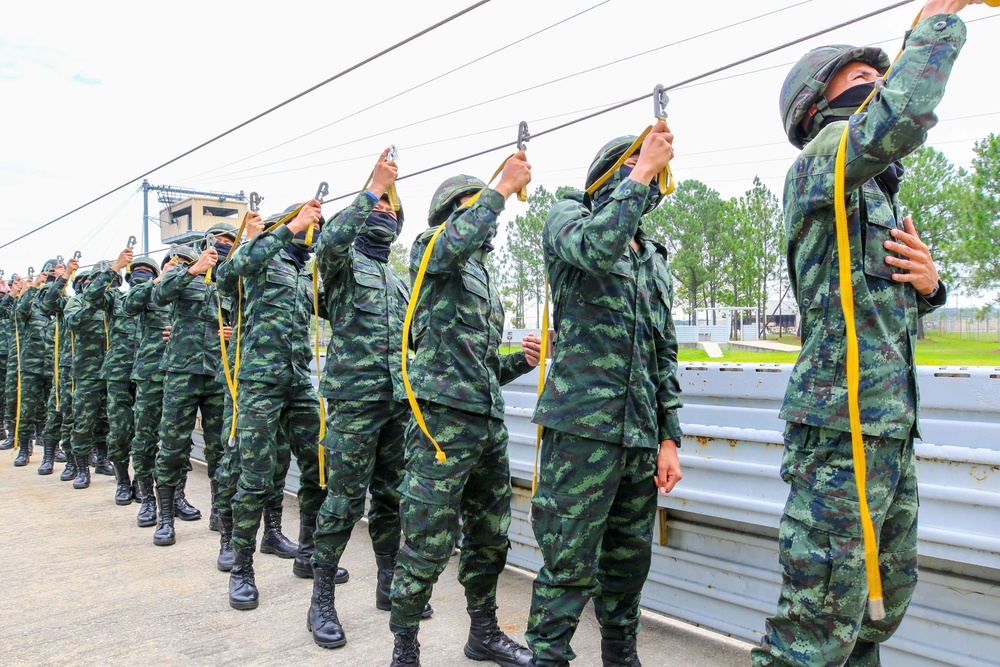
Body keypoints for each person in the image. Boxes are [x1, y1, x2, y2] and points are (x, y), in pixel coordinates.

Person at [751, 2, 978, 665]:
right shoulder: (821, 164)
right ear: (818, 104)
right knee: (814, 627)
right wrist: (936, 20)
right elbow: (900, 117)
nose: (877, 82)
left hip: (887, 430)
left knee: (876, 608)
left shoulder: (876, 196)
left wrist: (931, 287)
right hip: (838, 434)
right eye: (860, 76)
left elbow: (882, 315)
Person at [525, 124, 683, 667]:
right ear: (612, 173)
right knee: (568, 563)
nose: (653, 177)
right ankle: (547, 657)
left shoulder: (654, 258)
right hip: (581, 433)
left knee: (627, 565)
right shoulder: (570, 218)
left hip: (638, 440)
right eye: (641, 165)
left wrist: (668, 437)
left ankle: (621, 655)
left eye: (656, 170)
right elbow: (592, 249)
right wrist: (637, 172)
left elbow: (665, 356)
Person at [388, 157, 540, 667]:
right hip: (441, 425)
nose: (493, 222)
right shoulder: (432, 249)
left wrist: (522, 358)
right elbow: (451, 245)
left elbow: (477, 366)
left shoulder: (482, 277)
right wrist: (499, 188)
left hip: (485, 423)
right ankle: (405, 645)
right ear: (458, 211)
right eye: (481, 210)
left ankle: (483, 633)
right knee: (428, 537)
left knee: (489, 537)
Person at [308, 150, 429, 648]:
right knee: (341, 503)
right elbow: (328, 242)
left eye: (389, 209)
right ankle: (321, 601)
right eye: (377, 206)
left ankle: (388, 584)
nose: (384, 211)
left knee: (391, 501)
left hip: (396, 406)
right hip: (355, 405)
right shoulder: (340, 263)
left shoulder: (401, 281)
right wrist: (372, 188)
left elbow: (417, 339)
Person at [215, 202, 326, 611]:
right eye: (306, 224)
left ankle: (309, 553)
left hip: (298, 382)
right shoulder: (263, 256)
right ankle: (241, 569)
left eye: (314, 225)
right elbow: (228, 274)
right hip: (259, 383)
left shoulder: (303, 272)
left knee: (319, 468)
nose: (310, 231)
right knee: (254, 476)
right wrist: (277, 231)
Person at [151, 226, 234, 546]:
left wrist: (233, 330)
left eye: (229, 242)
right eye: (218, 241)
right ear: (206, 245)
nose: (223, 246)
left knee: (220, 450)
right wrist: (193, 269)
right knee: (172, 446)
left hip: (218, 374)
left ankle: (220, 513)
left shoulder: (232, 281)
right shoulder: (185, 274)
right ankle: (166, 517)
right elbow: (158, 295)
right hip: (182, 372)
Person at [122, 248, 191, 528]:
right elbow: (129, 305)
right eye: (173, 264)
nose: (179, 267)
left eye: (185, 264)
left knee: (178, 440)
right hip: (151, 374)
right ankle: (147, 498)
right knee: (146, 438)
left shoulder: (194, 293)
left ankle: (176, 496)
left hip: (182, 374)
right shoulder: (151, 291)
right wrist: (158, 279)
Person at [86, 248, 141, 504]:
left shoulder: (161, 298)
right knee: (119, 432)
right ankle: (122, 481)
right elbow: (92, 295)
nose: (143, 276)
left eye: (148, 272)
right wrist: (115, 267)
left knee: (146, 433)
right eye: (139, 271)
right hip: (119, 373)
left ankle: (142, 482)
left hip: (149, 374)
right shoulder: (116, 300)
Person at [63, 261, 112, 487]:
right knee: (82, 421)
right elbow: (73, 322)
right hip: (87, 372)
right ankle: (80, 467)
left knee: (106, 421)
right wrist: (93, 304)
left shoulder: (117, 302)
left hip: (113, 371)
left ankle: (102, 459)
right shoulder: (78, 302)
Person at [36, 258, 79, 476]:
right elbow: (48, 302)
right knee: (58, 410)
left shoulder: (81, 301)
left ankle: (76, 461)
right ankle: (49, 456)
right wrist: (63, 276)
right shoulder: (62, 301)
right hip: (65, 367)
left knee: (79, 416)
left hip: (87, 368)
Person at [12, 263, 56, 468]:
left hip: (52, 367)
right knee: (27, 410)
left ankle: (52, 451)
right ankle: (23, 448)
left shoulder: (59, 307)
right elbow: (19, 311)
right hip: (31, 366)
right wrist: (32, 286)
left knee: (53, 410)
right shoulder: (31, 305)